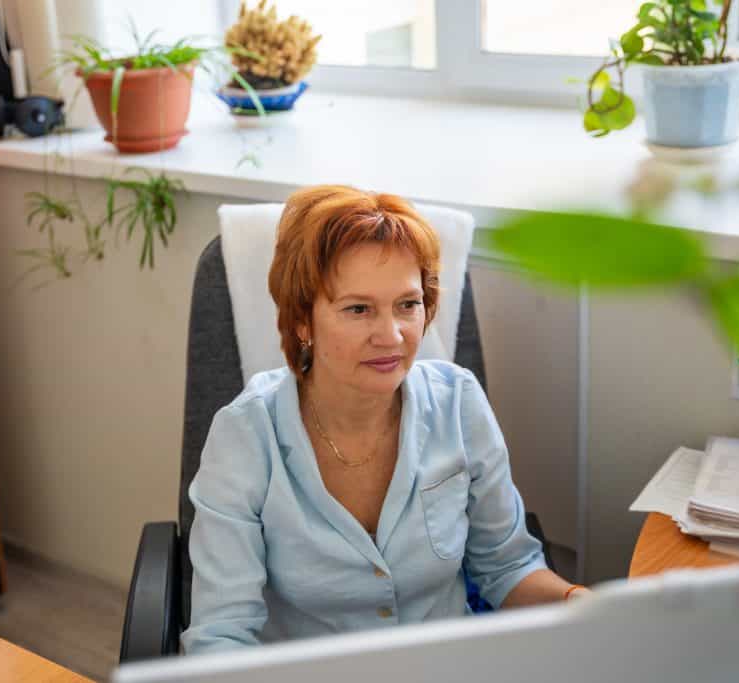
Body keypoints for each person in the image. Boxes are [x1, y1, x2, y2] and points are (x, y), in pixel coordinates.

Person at [182, 185, 588, 654]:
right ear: (301, 321)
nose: (391, 335)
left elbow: (506, 567)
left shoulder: (460, 403)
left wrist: (584, 605)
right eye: (358, 309)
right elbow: (221, 636)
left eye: (407, 305)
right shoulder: (245, 435)